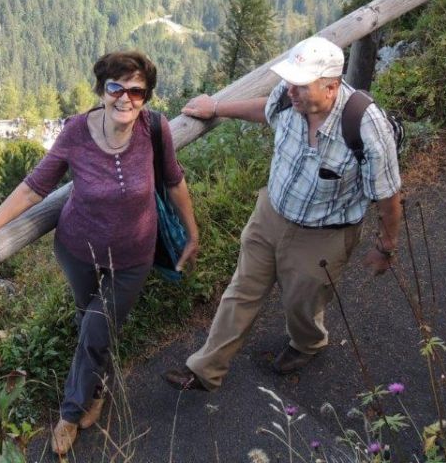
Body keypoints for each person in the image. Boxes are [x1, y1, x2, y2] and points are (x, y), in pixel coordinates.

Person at [0, 51, 200, 456]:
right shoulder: (77, 131)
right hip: (77, 249)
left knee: (95, 327)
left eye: (136, 91)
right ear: (101, 90)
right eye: (116, 87)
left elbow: (174, 180)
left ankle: (70, 411)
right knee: (91, 325)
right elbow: (34, 186)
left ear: (146, 97)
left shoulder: (154, 128)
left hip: (133, 257)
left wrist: (192, 232)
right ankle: (97, 386)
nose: (126, 98)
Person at [162, 36, 401, 392]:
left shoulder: (366, 128)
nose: (290, 90)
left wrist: (386, 247)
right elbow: (267, 109)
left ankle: (308, 343)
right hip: (270, 213)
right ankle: (205, 369)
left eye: (301, 86)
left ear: (331, 87)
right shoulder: (290, 96)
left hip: (324, 234)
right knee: (241, 289)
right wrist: (217, 107)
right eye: (290, 81)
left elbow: (388, 195)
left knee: (302, 301)